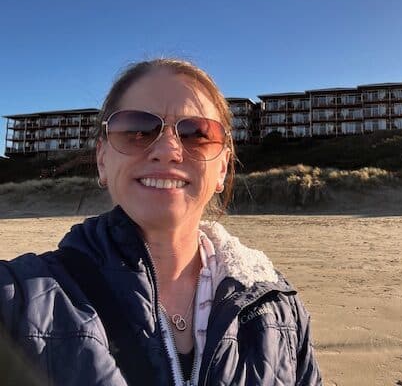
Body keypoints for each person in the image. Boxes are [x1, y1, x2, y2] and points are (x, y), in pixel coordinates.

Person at [0, 58, 322, 385]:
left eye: (197, 133)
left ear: (222, 168)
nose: (167, 150)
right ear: (102, 159)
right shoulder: (18, 300)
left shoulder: (281, 312)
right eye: (136, 130)